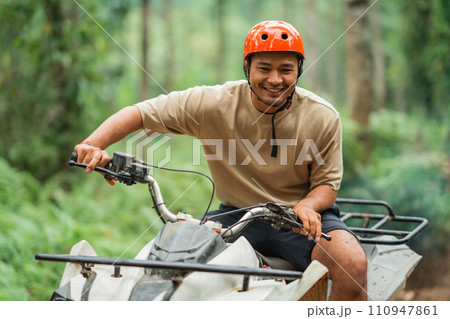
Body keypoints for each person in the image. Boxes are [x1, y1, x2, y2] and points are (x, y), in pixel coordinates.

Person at [75, 20, 367, 300]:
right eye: (264, 68)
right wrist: (93, 144)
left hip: (300, 220)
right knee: (173, 269)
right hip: (236, 215)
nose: (275, 80)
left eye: (286, 70)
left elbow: (327, 186)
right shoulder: (215, 102)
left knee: (352, 264)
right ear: (247, 67)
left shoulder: (322, 116)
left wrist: (308, 205)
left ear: (299, 70)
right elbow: (141, 113)